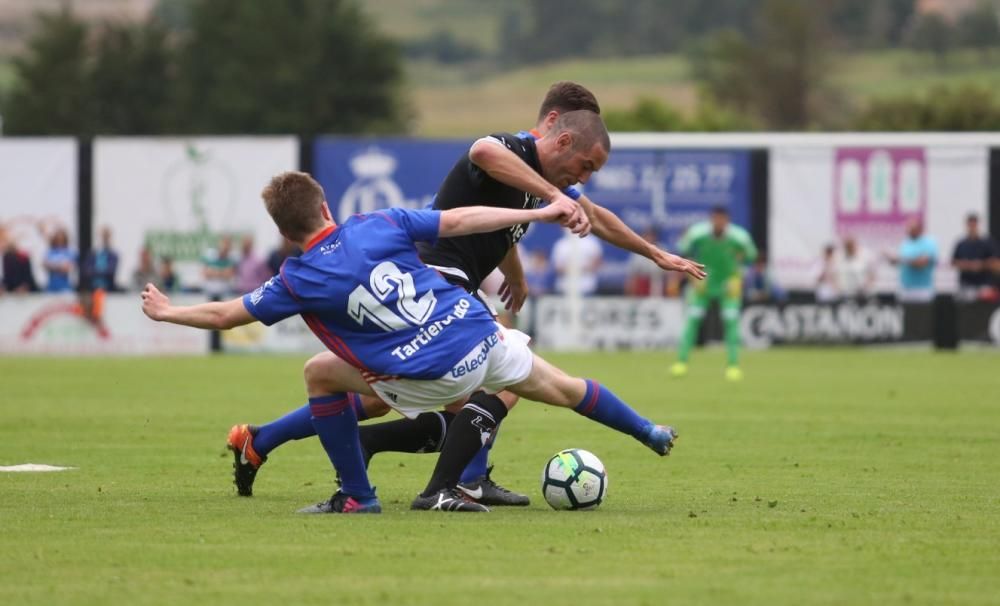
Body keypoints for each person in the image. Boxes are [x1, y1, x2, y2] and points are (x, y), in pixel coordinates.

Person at [226, 101, 704, 505]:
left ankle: (260, 440)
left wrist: (657, 254)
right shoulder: (513, 150)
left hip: (456, 284)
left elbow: (590, 218)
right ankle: (461, 481)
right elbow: (482, 151)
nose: (585, 177)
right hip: (435, 281)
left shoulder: (538, 181)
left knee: (375, 402)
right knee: (504, 382)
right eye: (586, 165)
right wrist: (553, 197)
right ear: (559, 133)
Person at [143, 170, 680, 514]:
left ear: (286, 235)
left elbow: (226, 314)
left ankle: (361, 495)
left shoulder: (296, 277)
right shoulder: (381, 221)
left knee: (321, 374)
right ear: (327, 207)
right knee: (560, 386)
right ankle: (649, 430)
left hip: (428, 373)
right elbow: (464, 220)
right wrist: (538, 212)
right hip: (477, 333)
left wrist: (168, 313)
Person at [670, 206, 758, 381]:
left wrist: (738, 275)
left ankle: (733, 365)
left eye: (722, 219)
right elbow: (683, 249)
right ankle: (681, 362)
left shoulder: (739, 237)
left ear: (727, 220)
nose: (718, 223)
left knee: (731, 324)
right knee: (692, 322)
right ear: (711, 219)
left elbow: (751, 256)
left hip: (728, 286)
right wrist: (690, 273)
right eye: (715, 219)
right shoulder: (698, 234)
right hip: (704, 283)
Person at [886, 217, 937, 303]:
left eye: (912, 228)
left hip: (922, 289)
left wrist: (901, 260)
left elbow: (922, 263)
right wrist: (892, 260)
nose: (909, 230)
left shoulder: (929, 243)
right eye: (908, 227)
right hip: (905, 288)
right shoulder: (905, 243)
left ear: (920, 229)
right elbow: (900, 263)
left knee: (922, 314)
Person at [951, 213, 997, 301]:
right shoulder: (961, 244)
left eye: (974, 224)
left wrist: (981, 265)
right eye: (970, 225)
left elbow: (995, 262)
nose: (972, 227)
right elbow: (954, 262)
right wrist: (966, 265)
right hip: (966, 284)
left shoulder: (987, 243)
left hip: (984, 284)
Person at [551, 226, 603, 295]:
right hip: (564, 287)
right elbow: (557, 268)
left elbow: (597, 263)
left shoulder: (591, 242)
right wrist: (574, 269)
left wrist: (577, 268)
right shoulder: (560, 244)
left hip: (587, 287)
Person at [625, 228, 666, 297]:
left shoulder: (662, 250)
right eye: (647, 236)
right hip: (641, 288)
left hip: (657, 285)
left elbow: (668, 273)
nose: (649, 238)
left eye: (651, 236)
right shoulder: (637, 252)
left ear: (655, 237)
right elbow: (633, 276)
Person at [836, 236, 876, 301]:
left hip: (862, 294)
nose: (849, 249)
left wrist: (866, 287)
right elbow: (834, 275)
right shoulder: (840, 257)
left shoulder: (865, 256)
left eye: (850, 246)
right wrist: (838, 288)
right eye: (847, 247)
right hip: (844, 293)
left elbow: (872, 274)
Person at [82, 226, 120, 292]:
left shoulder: (113, 255)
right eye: (103, 236)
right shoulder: (92, 254)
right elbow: (86, 271)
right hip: (92, 289)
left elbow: (110, 271)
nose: (104, 239)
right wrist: (102, 270)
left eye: (106, 236)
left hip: (108, 289)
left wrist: (95, 271)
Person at [1, 227, 39, 293]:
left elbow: (28, 276)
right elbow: (5, 277)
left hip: (24, 292)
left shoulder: (23, 256)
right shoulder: (5, 257)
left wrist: (24, 287)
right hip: (9, 292)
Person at [42, 227, 76, 293]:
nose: (59, 241)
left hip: (65, 287)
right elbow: (45, 264)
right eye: (57, 239)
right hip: (51, 287)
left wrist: (53, 265)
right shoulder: (50, 252)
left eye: (61, 239)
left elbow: (67, 268)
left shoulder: (69, 252)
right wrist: (60, 265)